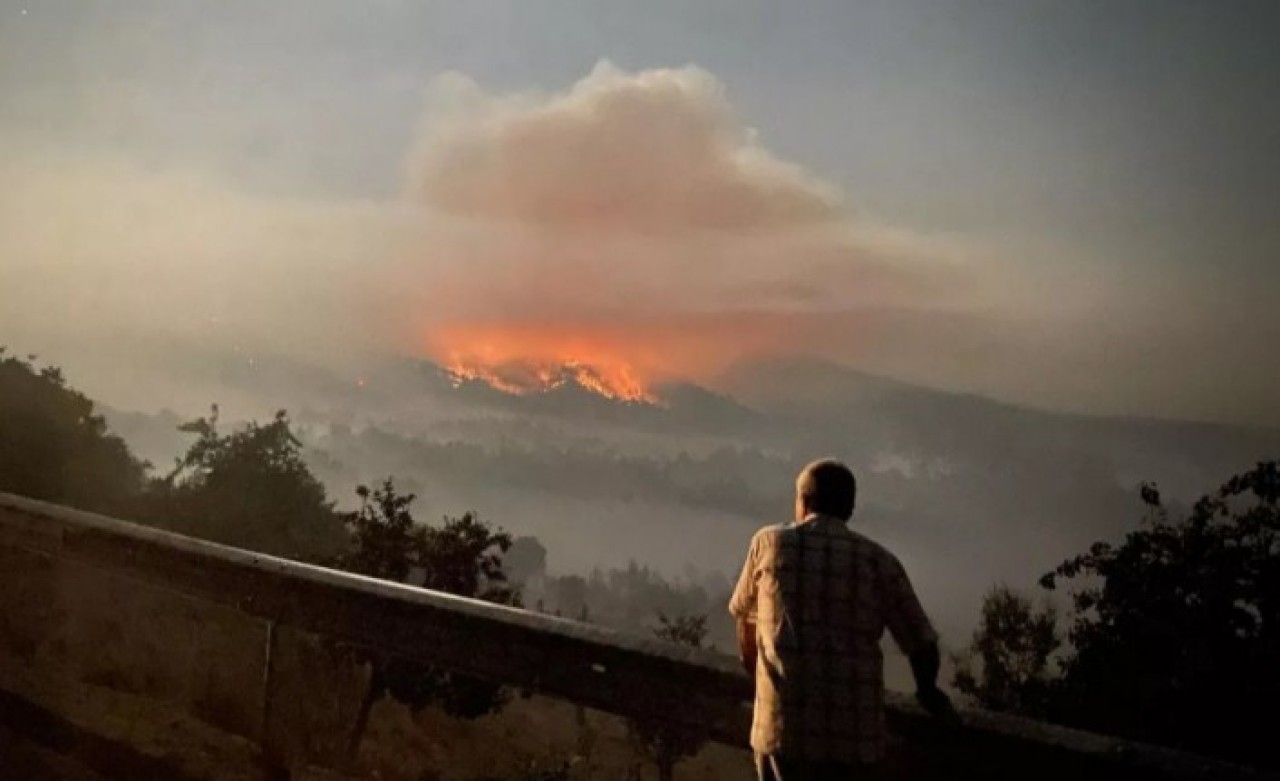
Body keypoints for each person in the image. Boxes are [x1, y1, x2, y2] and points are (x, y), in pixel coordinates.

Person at [729, 459, 953, 780]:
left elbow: (745, 621)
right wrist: (927, 690)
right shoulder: (880, 562)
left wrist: (762, 676)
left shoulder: (769, 544)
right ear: (849, 508)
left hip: (783, 735)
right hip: (855, 744)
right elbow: (922, 643)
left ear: (803, 501)